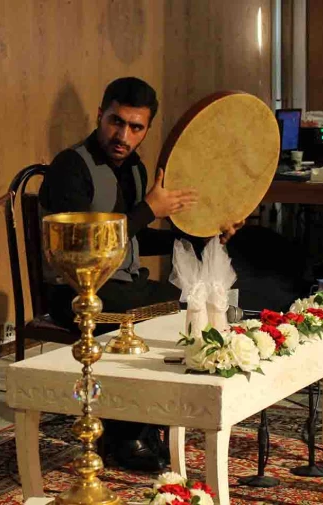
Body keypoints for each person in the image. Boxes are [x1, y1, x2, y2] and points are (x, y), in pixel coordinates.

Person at [38, 77, 242, 472]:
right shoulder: (70, 166)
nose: (123, 135)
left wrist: (202, 233)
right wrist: (149, 207)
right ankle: (124, 433)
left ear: (146, 129)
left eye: (136, 127)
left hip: (123, 285)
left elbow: (132, 239)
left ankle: (152, 421)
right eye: (116, 122)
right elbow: (86, 246)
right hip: (76, 291)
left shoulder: (133, 168)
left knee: (188, 301)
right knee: (157, 310)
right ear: (100, 116)